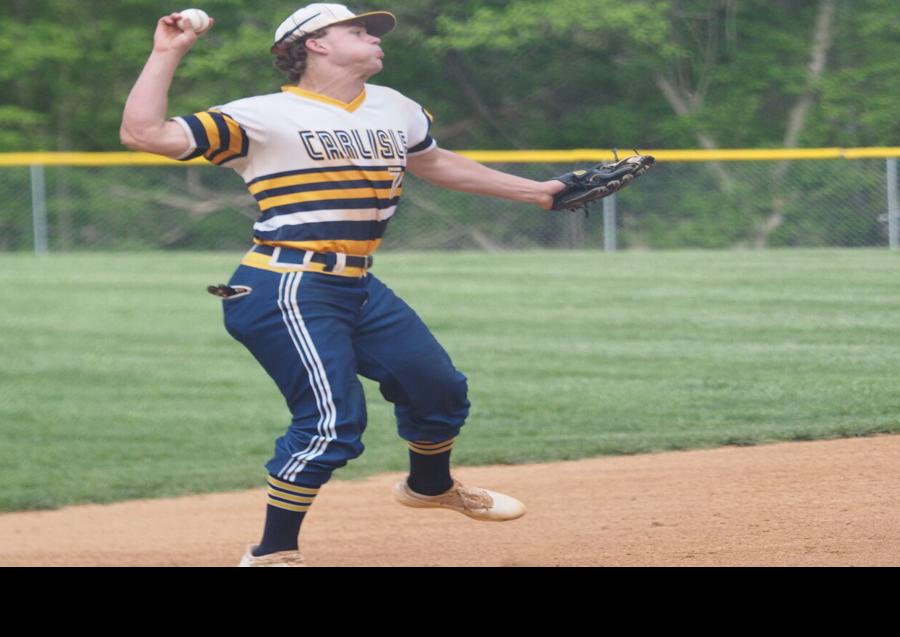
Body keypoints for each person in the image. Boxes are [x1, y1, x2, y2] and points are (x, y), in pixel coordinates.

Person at [120, 4, 572, 567]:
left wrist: (538, 192)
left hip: (358, 286)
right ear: (316, 45)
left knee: (437, 386)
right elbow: (143, 133)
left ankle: (429, 487)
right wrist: (169, 52)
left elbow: (433, 162)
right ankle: (272, 553)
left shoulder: (395, 107)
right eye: (357, 30)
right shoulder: (260, 116)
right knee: (333, 421)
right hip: (285, 285)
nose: (374, 38)